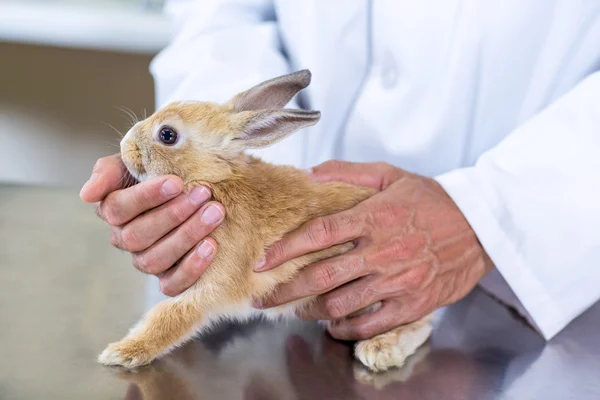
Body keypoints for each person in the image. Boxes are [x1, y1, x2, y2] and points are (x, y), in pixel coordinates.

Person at [80, 1, 600, 342]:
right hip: (295, 311)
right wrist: (220, 175)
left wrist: (493, 216)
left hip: (546, 288)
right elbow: (221, 15)